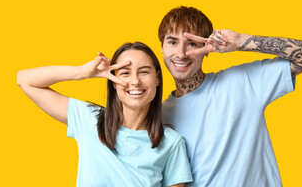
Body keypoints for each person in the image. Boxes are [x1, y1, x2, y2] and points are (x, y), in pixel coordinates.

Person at [158, 6, 302, 187]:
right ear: (162, 47)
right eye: (172, 42)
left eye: (191, 43)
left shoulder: (242, 83)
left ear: (206, 48)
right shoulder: (157, 115)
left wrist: (239, 41)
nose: (181, 54)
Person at [17, 42, 193, 187]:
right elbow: (24, 80)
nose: (135, 81)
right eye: (125, 73)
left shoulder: (171, 142)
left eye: (144, 71)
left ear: (157, 79)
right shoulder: (89, 119)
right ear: (114, 83)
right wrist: (82, 73)